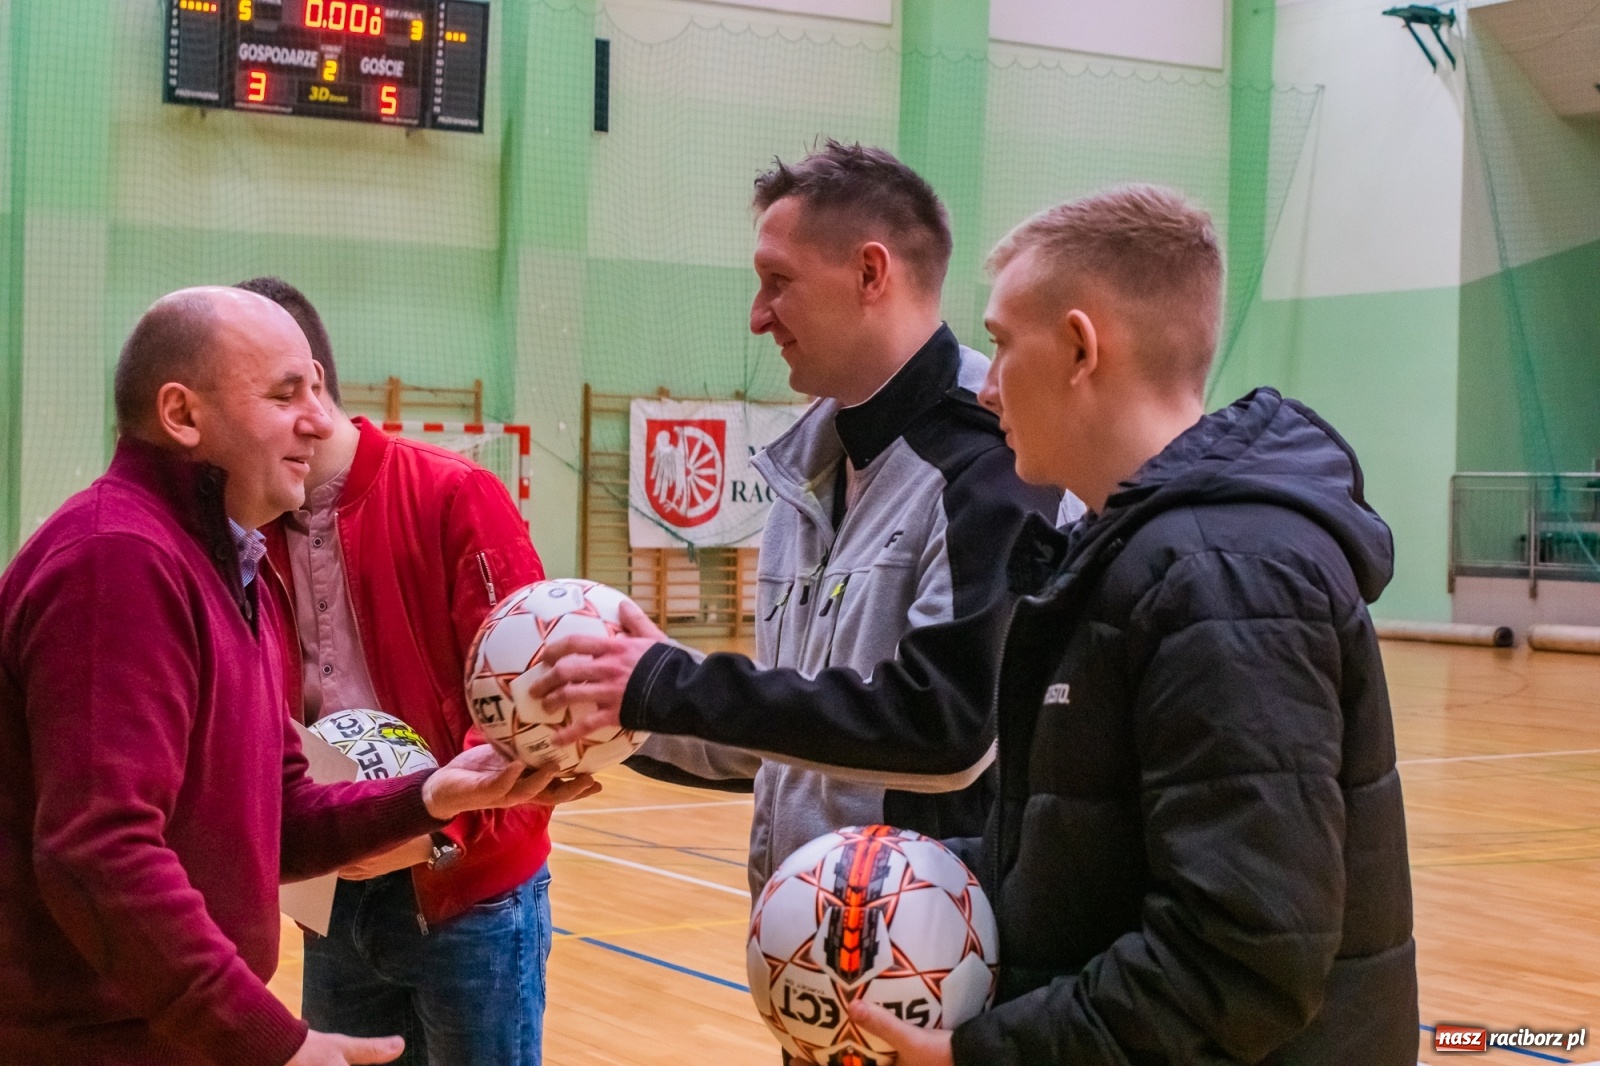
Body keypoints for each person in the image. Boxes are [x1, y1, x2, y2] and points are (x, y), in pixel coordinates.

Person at [544, 186, 1419, 1063]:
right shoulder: (1128, 558)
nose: (987, 386)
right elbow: (1081, 852)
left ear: (1080, 347)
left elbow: (1243, 957)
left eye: (1000, 346)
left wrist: (990, 1055)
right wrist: (871, 894)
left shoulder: (1223, 576)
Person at [0, 287, 597, 1066]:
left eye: (317, 388)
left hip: (170, 1032)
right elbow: (97, 850)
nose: (320, 419)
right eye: (286, 395)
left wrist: (436, 794)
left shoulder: (228, 562)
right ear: (183, 416)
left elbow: (278, 809)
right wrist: (273, 1046)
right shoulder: (120, 560)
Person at [537, 139, 1062, 909]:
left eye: (777, 283)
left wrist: (669, 683)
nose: (757, 318)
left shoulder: (995, 459)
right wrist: (614, 715)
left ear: (870, 273)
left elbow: (942, 726)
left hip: (936, 951)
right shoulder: (809, 466)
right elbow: (796, 740)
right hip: (806, 950)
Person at [236, 277, 556, 1066]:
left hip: (471, 897)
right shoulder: (247, 525)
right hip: (330, 891)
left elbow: (537, 719)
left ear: (302, 390)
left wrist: (437, 833)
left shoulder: (457, 496)